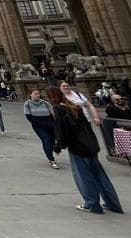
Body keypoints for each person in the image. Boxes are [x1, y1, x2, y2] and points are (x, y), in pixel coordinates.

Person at [46, 86, 123, 214]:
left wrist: (58, 146)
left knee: (84, 177)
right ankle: (113, 204)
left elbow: (62, 130)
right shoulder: (76, 107)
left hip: (77, 146)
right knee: (100, 176)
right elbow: (86, 125)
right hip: (91, 144)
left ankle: (92, 204)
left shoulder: (59, 109)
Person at [23, 89, 59, 169]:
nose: (37, 95)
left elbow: (52, 113)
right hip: (38, 126)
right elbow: (29, 117)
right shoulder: (27, 104)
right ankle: (51, 160)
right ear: (30, 95)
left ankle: (52, 149)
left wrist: (53, 124)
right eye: (35, 93)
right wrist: (41, 124)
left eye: (38, 93)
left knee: (52, 141)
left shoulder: (45, 103)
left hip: (50, 125)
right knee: (46, 140)